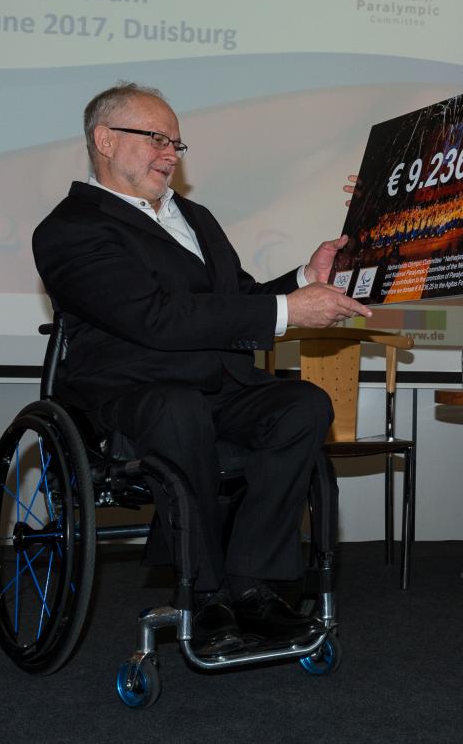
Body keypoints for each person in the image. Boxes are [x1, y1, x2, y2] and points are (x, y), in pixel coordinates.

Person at [33, 82, 372, 657]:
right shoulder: (69, 228)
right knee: (177, 406)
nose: (170, 153)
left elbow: (236, 299)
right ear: (105, 140)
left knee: (303, 405)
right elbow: (154, 319)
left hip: (216, 384)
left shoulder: (195, 217)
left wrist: (300, 281)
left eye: (176, 143)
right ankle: (204, 592)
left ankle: (252, 586)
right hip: (129, 391)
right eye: (156, 139)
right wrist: (289, 311)